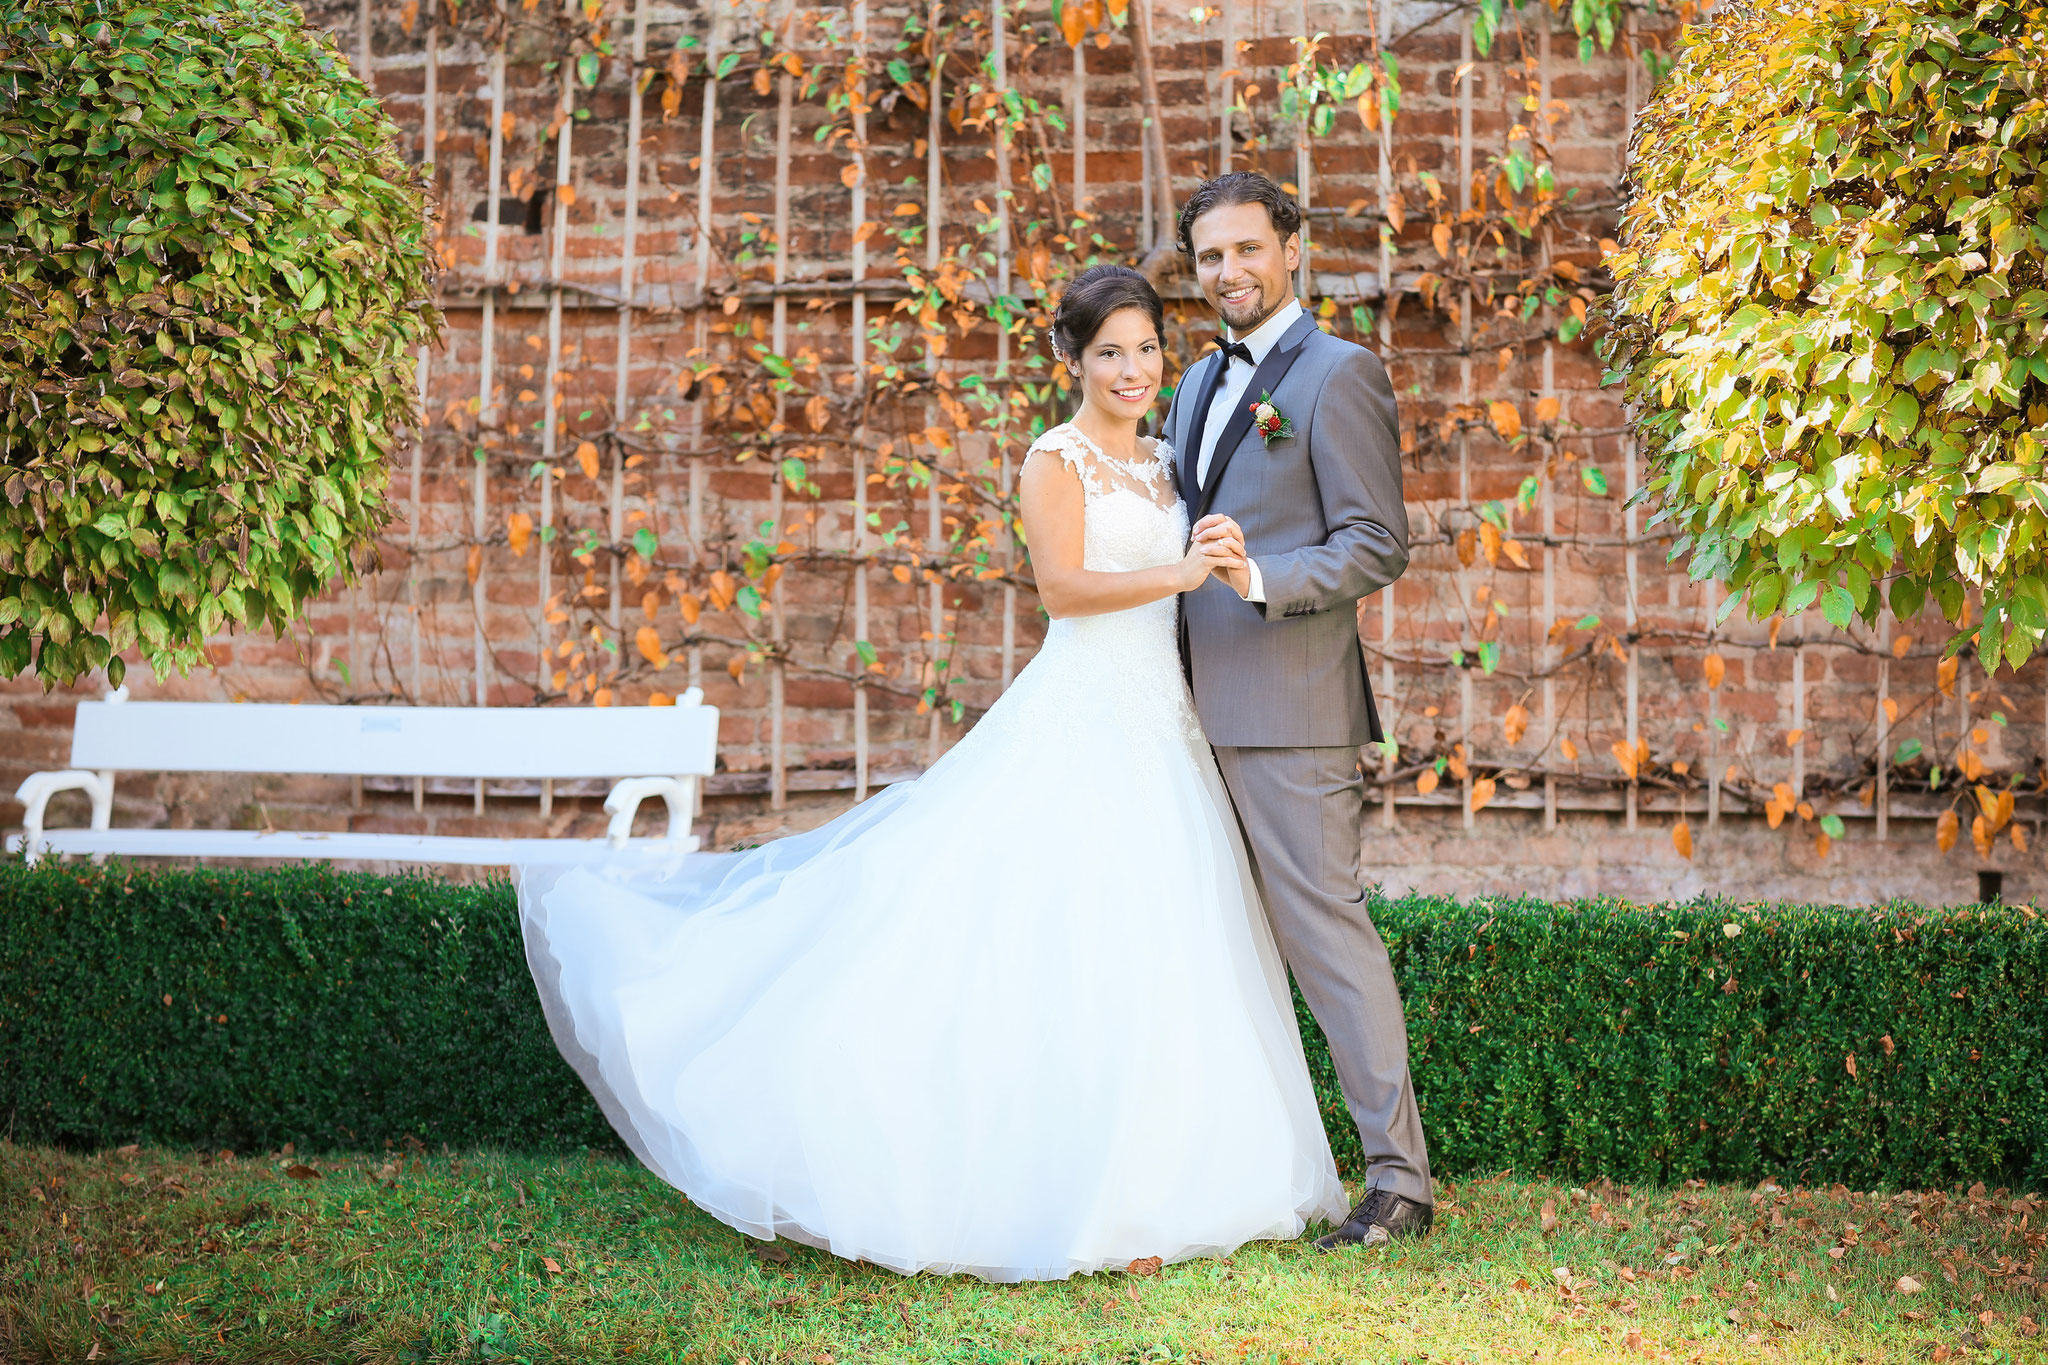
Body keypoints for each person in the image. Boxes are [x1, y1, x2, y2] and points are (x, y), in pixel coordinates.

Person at [514, 264, 1349, 1284]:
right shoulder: (1055, 460)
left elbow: (1195, 568)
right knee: (1030, 933)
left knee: (1166, 933)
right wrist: (1173, 573)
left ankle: (1170, 1182)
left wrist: (1212, 546)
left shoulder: (1171, 465)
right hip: (1081, 713)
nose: (1131, 370)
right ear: (1071, 360)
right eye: (1108, 353)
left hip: (1163, 722)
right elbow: (1066, 590)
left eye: (1143, 349)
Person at [1170, 171, 1433, 1250]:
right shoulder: (1188, 382)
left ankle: (1399, 1183)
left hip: (1289, 705)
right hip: (1180, 708)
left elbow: (1377, 541)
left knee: (1325, 937)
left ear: (1291, 247)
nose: (1226, 272)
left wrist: (1260, 579)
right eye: (1206, 257)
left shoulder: (1338, 374)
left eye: (1244, 249)